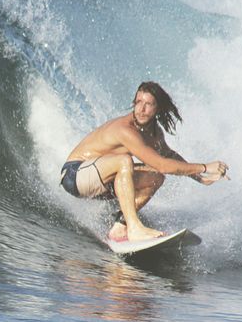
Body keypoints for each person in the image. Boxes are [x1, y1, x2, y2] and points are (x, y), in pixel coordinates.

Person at [60, 81, 228, 242]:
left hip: (101, 182)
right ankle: (134, 228)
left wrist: (200, 176)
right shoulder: (125, 130)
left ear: (158, 108)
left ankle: (120, 226)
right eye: (138, 102)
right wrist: (205, 166)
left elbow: (168, 156)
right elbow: (162, 164)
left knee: (156, 176)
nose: (141, 109)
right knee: (125, 161)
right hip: (75, 175)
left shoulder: (154, 132)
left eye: (148, 104)